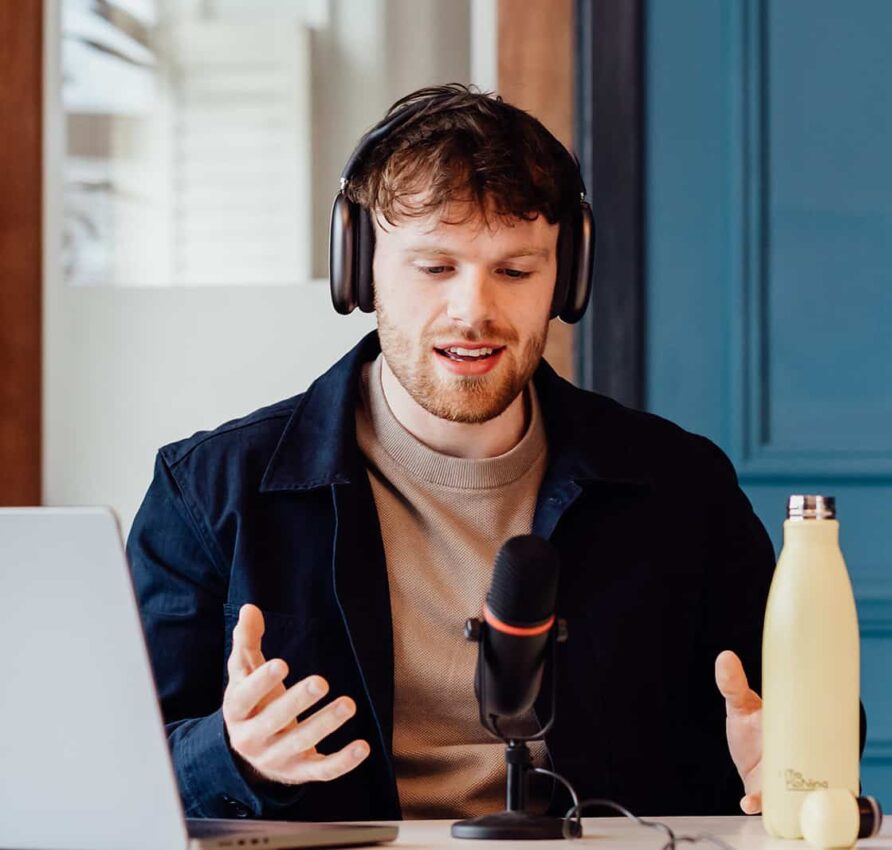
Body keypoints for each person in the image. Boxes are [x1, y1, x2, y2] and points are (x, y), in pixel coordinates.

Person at [127, 83, 779, 824]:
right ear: (359, 268)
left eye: (515, 271)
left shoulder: (680, 486)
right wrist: (232, 751)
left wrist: (790, 764)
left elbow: (791, 722)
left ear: (567, 277)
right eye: (435, 268)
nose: (474, 311)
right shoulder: (208, 491)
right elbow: (124, 766)